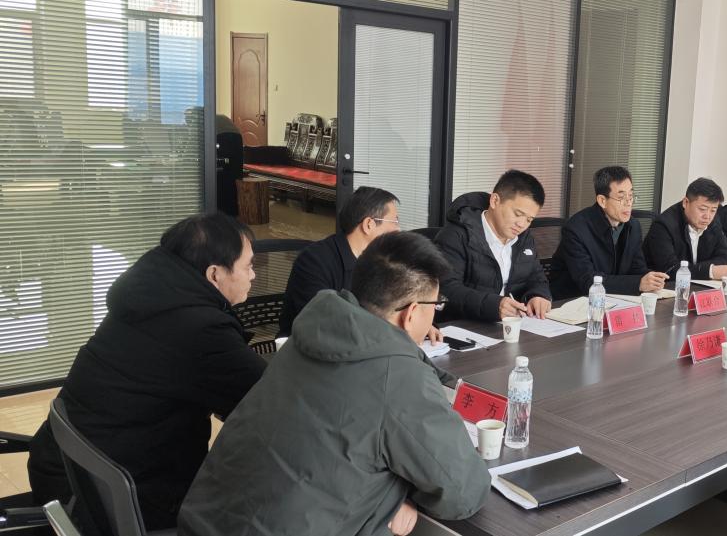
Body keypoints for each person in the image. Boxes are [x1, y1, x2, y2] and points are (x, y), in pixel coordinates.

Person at [179, 232, 490, 536]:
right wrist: (396, 495)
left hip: (203, 521)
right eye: (436, 304)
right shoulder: (398, 378)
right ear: (410, 314)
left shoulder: (312, 334)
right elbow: (464, 493)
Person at [27, 213, 266, 530]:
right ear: (214, 274)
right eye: (248, 266)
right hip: (110, 498)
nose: (253, 275)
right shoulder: (200, 329)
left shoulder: (149, 297)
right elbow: (271, 399)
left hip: (68, 468)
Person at [278, 186, 399, 336]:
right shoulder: (314, 261)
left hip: (363, 341)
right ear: (369, 225)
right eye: (394, 221)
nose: (398, 230)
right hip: (309, 344)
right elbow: (324, 322)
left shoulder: (379, 261)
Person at [434, 170, 552, 322]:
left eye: (529, 220)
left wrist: (539, 295)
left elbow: (537, 277)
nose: (522, 224)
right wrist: (493, 305)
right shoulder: (456, 235)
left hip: (513, 325)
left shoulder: (524, 238)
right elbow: (446, 289)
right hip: (466, 325)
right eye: (517, 214)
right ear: (495, 201)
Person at [551, 166, 669, 298]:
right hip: (573, 301)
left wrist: (651, 279)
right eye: (621, 198)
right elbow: (588, 281)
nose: (628, 203)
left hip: (614, 298)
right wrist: (638, 283)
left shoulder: (633, 226)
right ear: (602, 201)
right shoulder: (576, 229)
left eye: (631, 196)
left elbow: (637, 268)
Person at [643, 177, 727, 279]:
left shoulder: (713, 221)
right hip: (666, 286)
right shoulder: (663, 225)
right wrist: (709, 271)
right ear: (685, 203)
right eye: (702, 209)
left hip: (697, 285)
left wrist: (700, 270)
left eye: (713, 210)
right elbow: (669, 269)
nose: (707, 216)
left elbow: (724, 258)